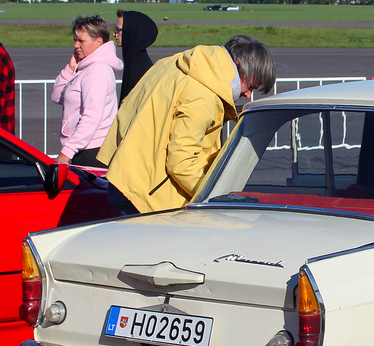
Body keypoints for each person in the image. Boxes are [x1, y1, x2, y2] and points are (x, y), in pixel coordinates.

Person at [97, 35, 275, 214]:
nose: (248, 95)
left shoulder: (175, 63)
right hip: (145, 194)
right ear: (238, 65)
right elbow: (181, 163)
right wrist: (213, 196)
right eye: (250, 86)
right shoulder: (204, 95)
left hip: (123, 176)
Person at [50, 15, 123, 166]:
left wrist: (66, 153)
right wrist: (70, 69)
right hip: (82, 148)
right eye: (75, 40)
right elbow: (57, 96)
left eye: (81, 41)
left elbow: (91, 117)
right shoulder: (85, 68)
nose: (76, 45)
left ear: (98, 42)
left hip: (92, 151)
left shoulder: (96, 72)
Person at [114, 9, 158, 105]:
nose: (114, 34)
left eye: (118, 30)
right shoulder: (134, 61)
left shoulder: (138, 69)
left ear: (130, 32)